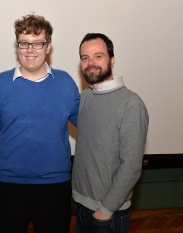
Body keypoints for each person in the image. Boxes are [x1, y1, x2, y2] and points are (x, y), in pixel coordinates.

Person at [0, 14, 80, 233]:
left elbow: (89, 126)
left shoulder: (66, 83)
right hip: (8, 186)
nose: (30, 50)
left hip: (55, 187)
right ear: (17, 46)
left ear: (48, 46)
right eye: (24, 43)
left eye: (38, 43)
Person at [72, 33, 149, 233]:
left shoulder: (131, 104)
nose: (91, 63)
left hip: (107, 214)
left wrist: (105, 210)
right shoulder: (86, 96)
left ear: (112, 60)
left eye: (98, 56)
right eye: (85, 58)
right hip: (81, 206)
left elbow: (131, 166)